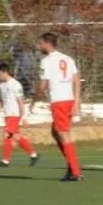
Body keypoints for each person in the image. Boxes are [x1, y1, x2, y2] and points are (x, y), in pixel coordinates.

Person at [31, 33, 83, 182]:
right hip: (69, 100)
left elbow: (43, 85)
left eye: (40, 44)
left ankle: (76, 172)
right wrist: (76, 101)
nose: (39, 46)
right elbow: (77, 80)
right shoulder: (68, 58)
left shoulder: (46, 61)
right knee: (56, 132)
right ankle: (71, 167)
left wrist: (34, 99)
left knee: (63, 134)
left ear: (47, 43)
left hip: (59, 101)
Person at [0, 63, 39, 168]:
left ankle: (5, 161)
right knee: (15, 136)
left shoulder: (15, 84)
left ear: (4, 72)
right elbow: (1, 101)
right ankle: (33, 155)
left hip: (14, 114)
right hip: (7, 114)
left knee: (7, 135)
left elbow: (20, 101)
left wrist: (24, 116)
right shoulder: (1, 86)